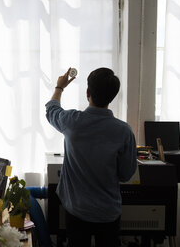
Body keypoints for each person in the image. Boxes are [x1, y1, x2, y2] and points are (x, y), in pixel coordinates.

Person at [45, 67, 137, 247]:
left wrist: (59, 87)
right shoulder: (124, 131)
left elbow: (51, 110)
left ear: (88, 92)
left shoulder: (72, 121)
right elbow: (126, 174)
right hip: (108, 213)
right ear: (112, 96)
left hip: (77, 211)